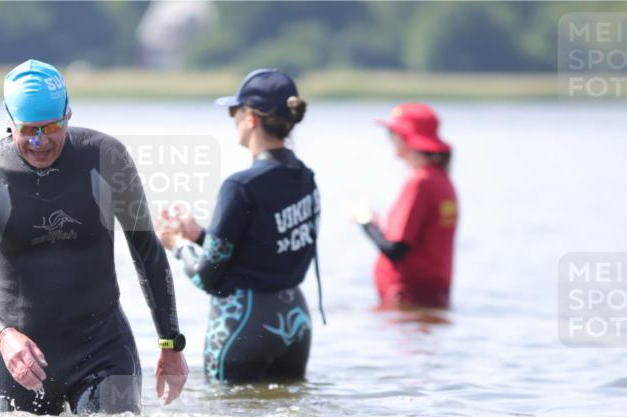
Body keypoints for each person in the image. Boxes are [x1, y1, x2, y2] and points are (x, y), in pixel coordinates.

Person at [0, 59, 188, 415]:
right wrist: (3, 336)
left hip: (105, 353)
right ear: (9, 121)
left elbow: (146, 249)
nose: (39, 142)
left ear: (68, 115)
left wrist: (170, 342)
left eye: (51, 127)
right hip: (21, 362)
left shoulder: (107, 157)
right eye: (28, 129)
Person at [156, 69, 322, 383]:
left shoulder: (240, 186)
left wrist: (177, 244)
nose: (232, 119)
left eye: (234, 111)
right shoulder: (306, 178)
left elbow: (206, 277)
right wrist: (200, 235)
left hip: (243, 323)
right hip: (296, 320)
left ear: (251, 118)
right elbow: (267, 251)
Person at [349, 103, 459, 309]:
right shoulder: (443, 180)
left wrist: (365, 221)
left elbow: (396, 249)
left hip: (407, 299)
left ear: (405, 139)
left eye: (391, 133)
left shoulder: (420, 182)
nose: (390, 140)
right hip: (430, 296)